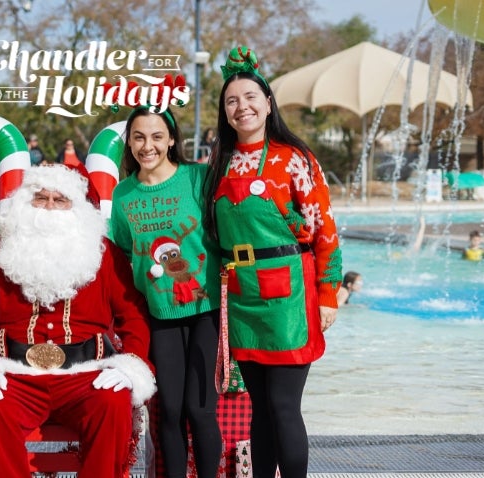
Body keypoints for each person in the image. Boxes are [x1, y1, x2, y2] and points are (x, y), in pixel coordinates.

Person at [202, 46, 343, 478]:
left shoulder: (295, 159)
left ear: (267, 103)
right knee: (257, 411)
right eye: (231, 101)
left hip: (290, 297)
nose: (241, 106)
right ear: (225, 113)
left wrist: (328, 294)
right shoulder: (219, 163)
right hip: (243, 296)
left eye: (249, 97)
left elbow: (326, 230)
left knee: (283, 407)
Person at [0, 164, 156, 478]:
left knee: (112, 402)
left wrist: (130, 364)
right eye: (41, 198)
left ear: (78, 209)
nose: (50, 208)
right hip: (15, 376)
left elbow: (133, 315)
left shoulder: (104, 255)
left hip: (87, 376)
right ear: (24, 204)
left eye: (60, 200)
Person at [108, 106, 223, 478]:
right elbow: (124, 255)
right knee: (170, 410)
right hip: (159, 315)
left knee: (199, 410)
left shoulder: (198, 178)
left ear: (171, 139)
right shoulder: (124, 194)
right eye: (139, 137)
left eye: (157, 136)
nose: (148, 146)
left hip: (205, 310)